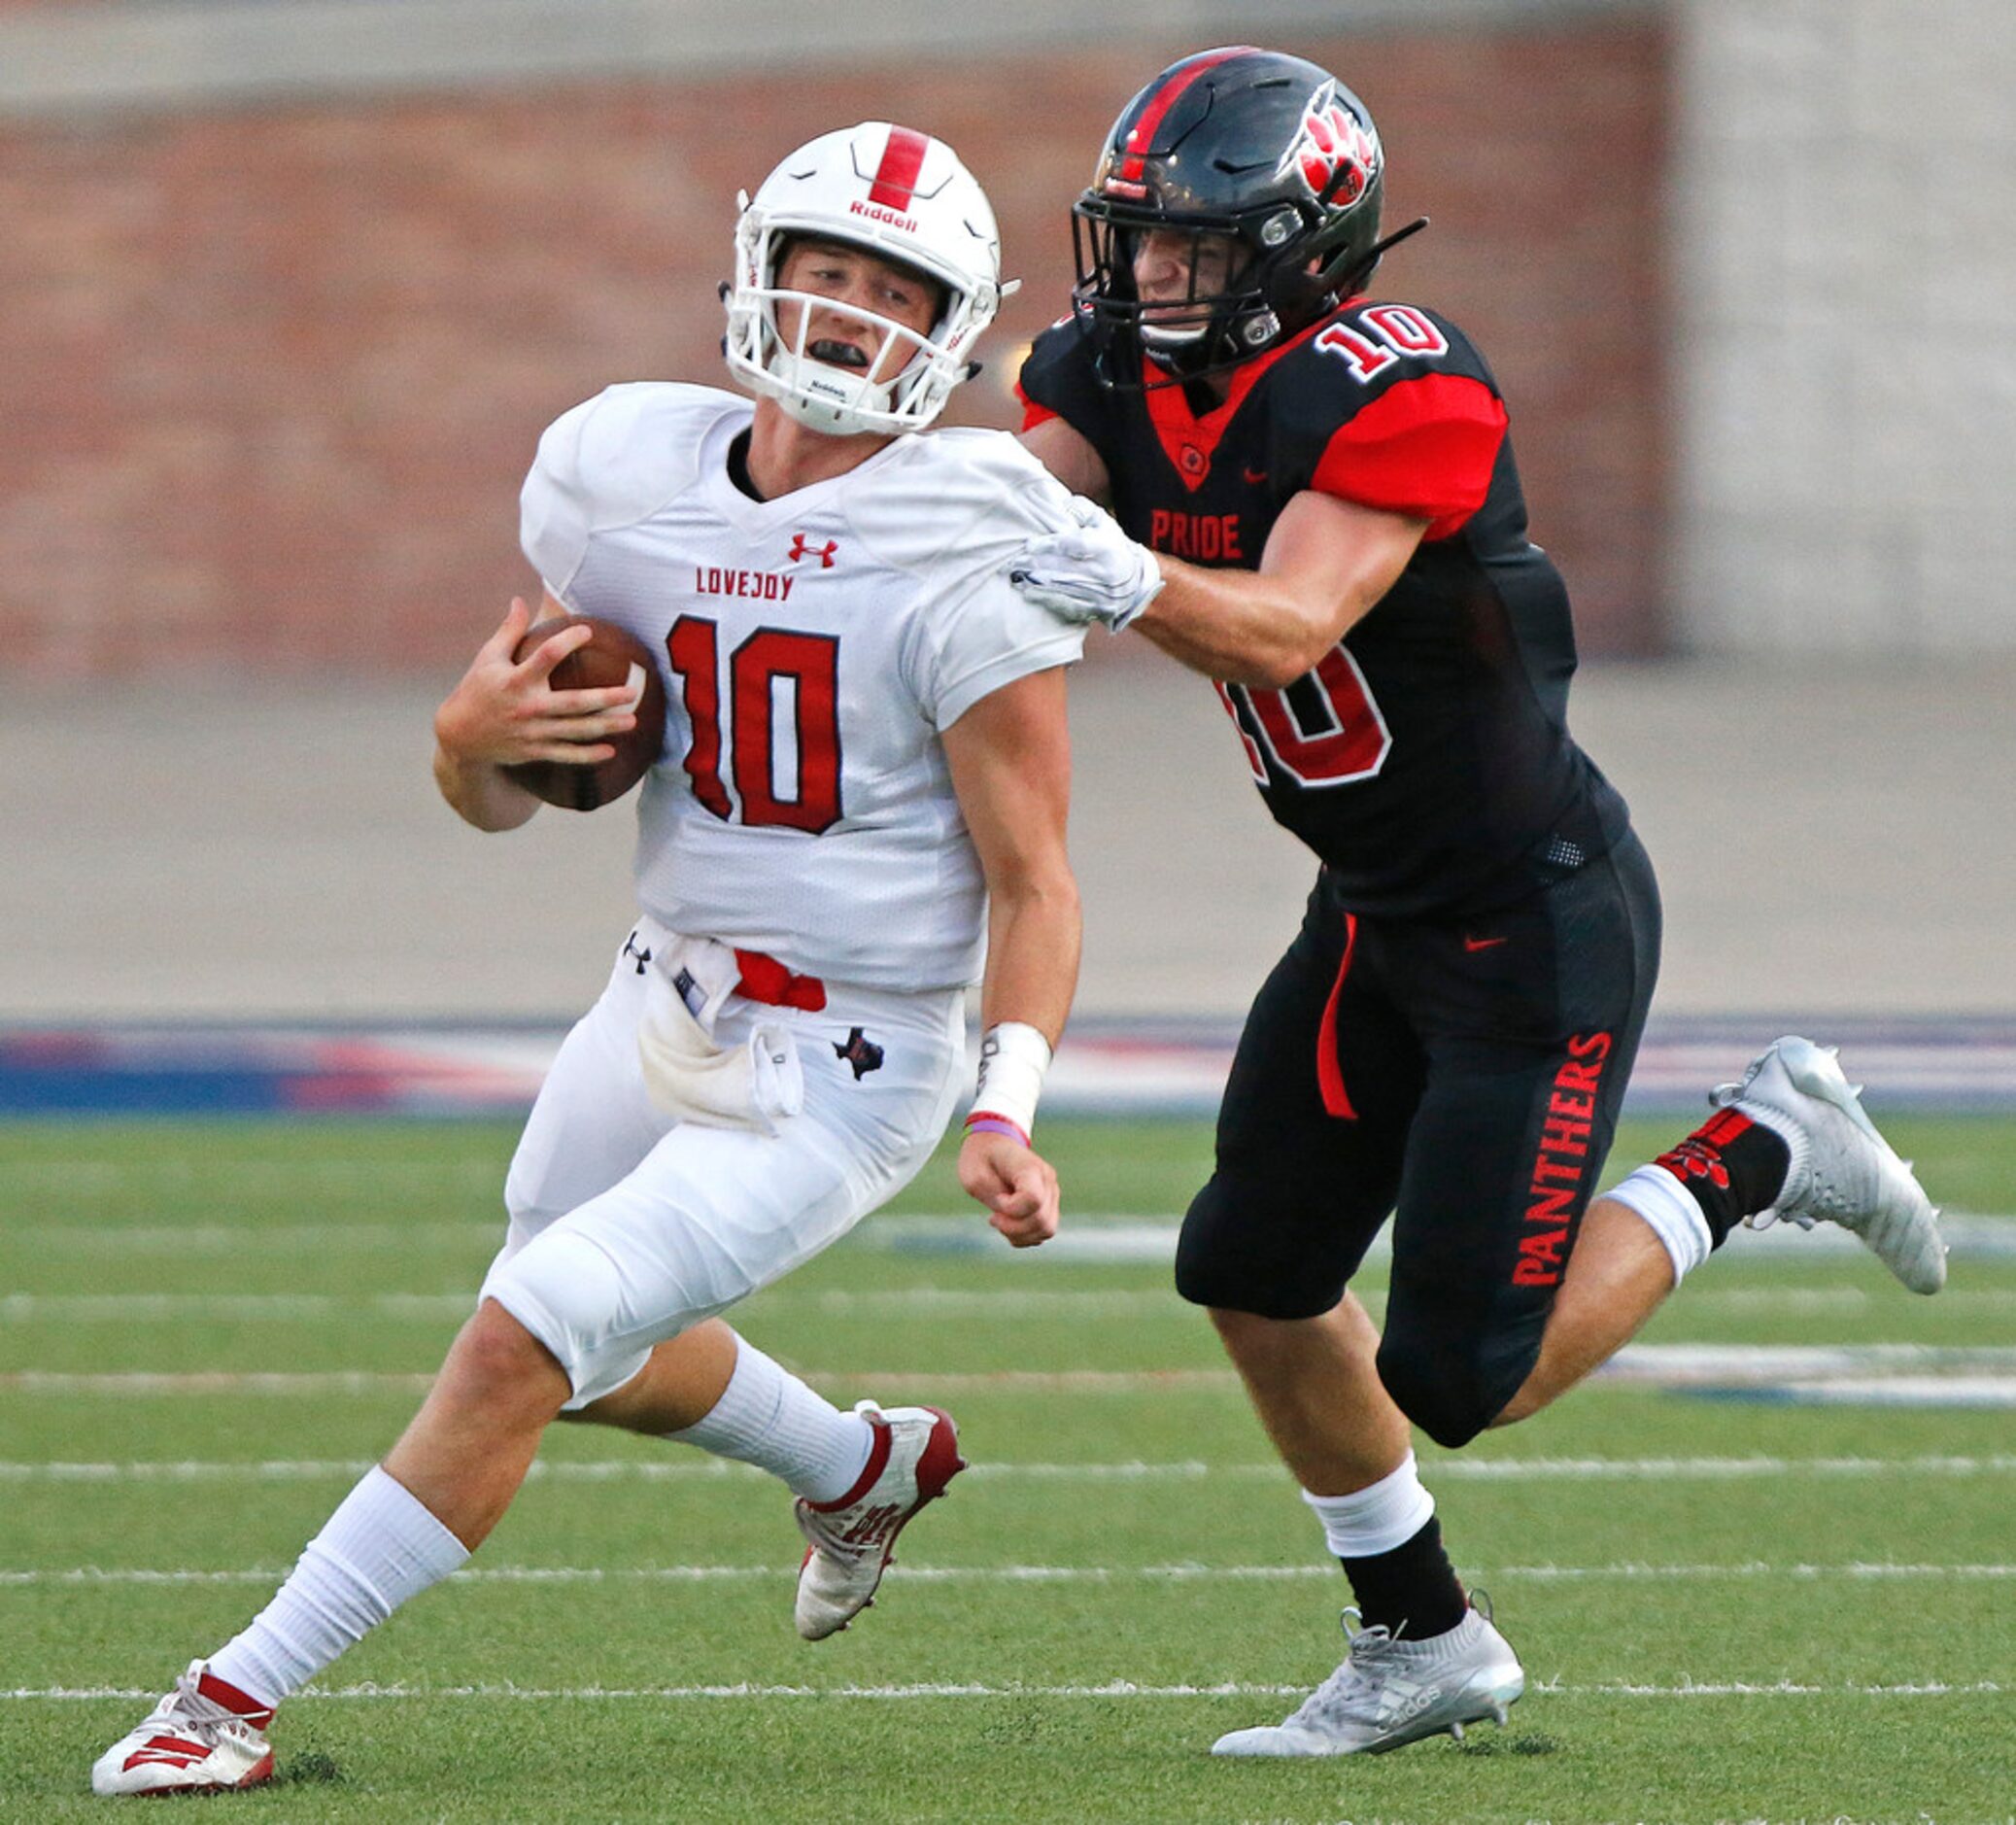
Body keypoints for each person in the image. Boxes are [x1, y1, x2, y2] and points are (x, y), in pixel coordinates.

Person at [93, 121, 1094, 1797]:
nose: (849, 314)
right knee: (587, 1353)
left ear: (955, 325)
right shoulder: (619, 473)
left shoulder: (964, 542)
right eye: (825, 270)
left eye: (894, 289)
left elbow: (1039, 880)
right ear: (757, 270)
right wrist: (462, 739)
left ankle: (228, 1697)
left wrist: (1010, 1102)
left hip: (847, 1065)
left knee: (520, 1336)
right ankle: (861, 1463)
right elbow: (505, 801)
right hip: (663, 988)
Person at [1009, 46, 1946, 1757]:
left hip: (1536, 922)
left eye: (1188, 249)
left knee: (1461, 1374)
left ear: (1304, 250)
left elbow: (1287, 624)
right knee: (1252, 1262)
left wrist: (1099, 566)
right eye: (1133, 242)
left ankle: (1763, 1148)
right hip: (1371, 906)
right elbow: (990, 504)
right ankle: (1422, 1636)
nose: (1144, 279)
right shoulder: (1102, 369)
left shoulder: (1400, 382)